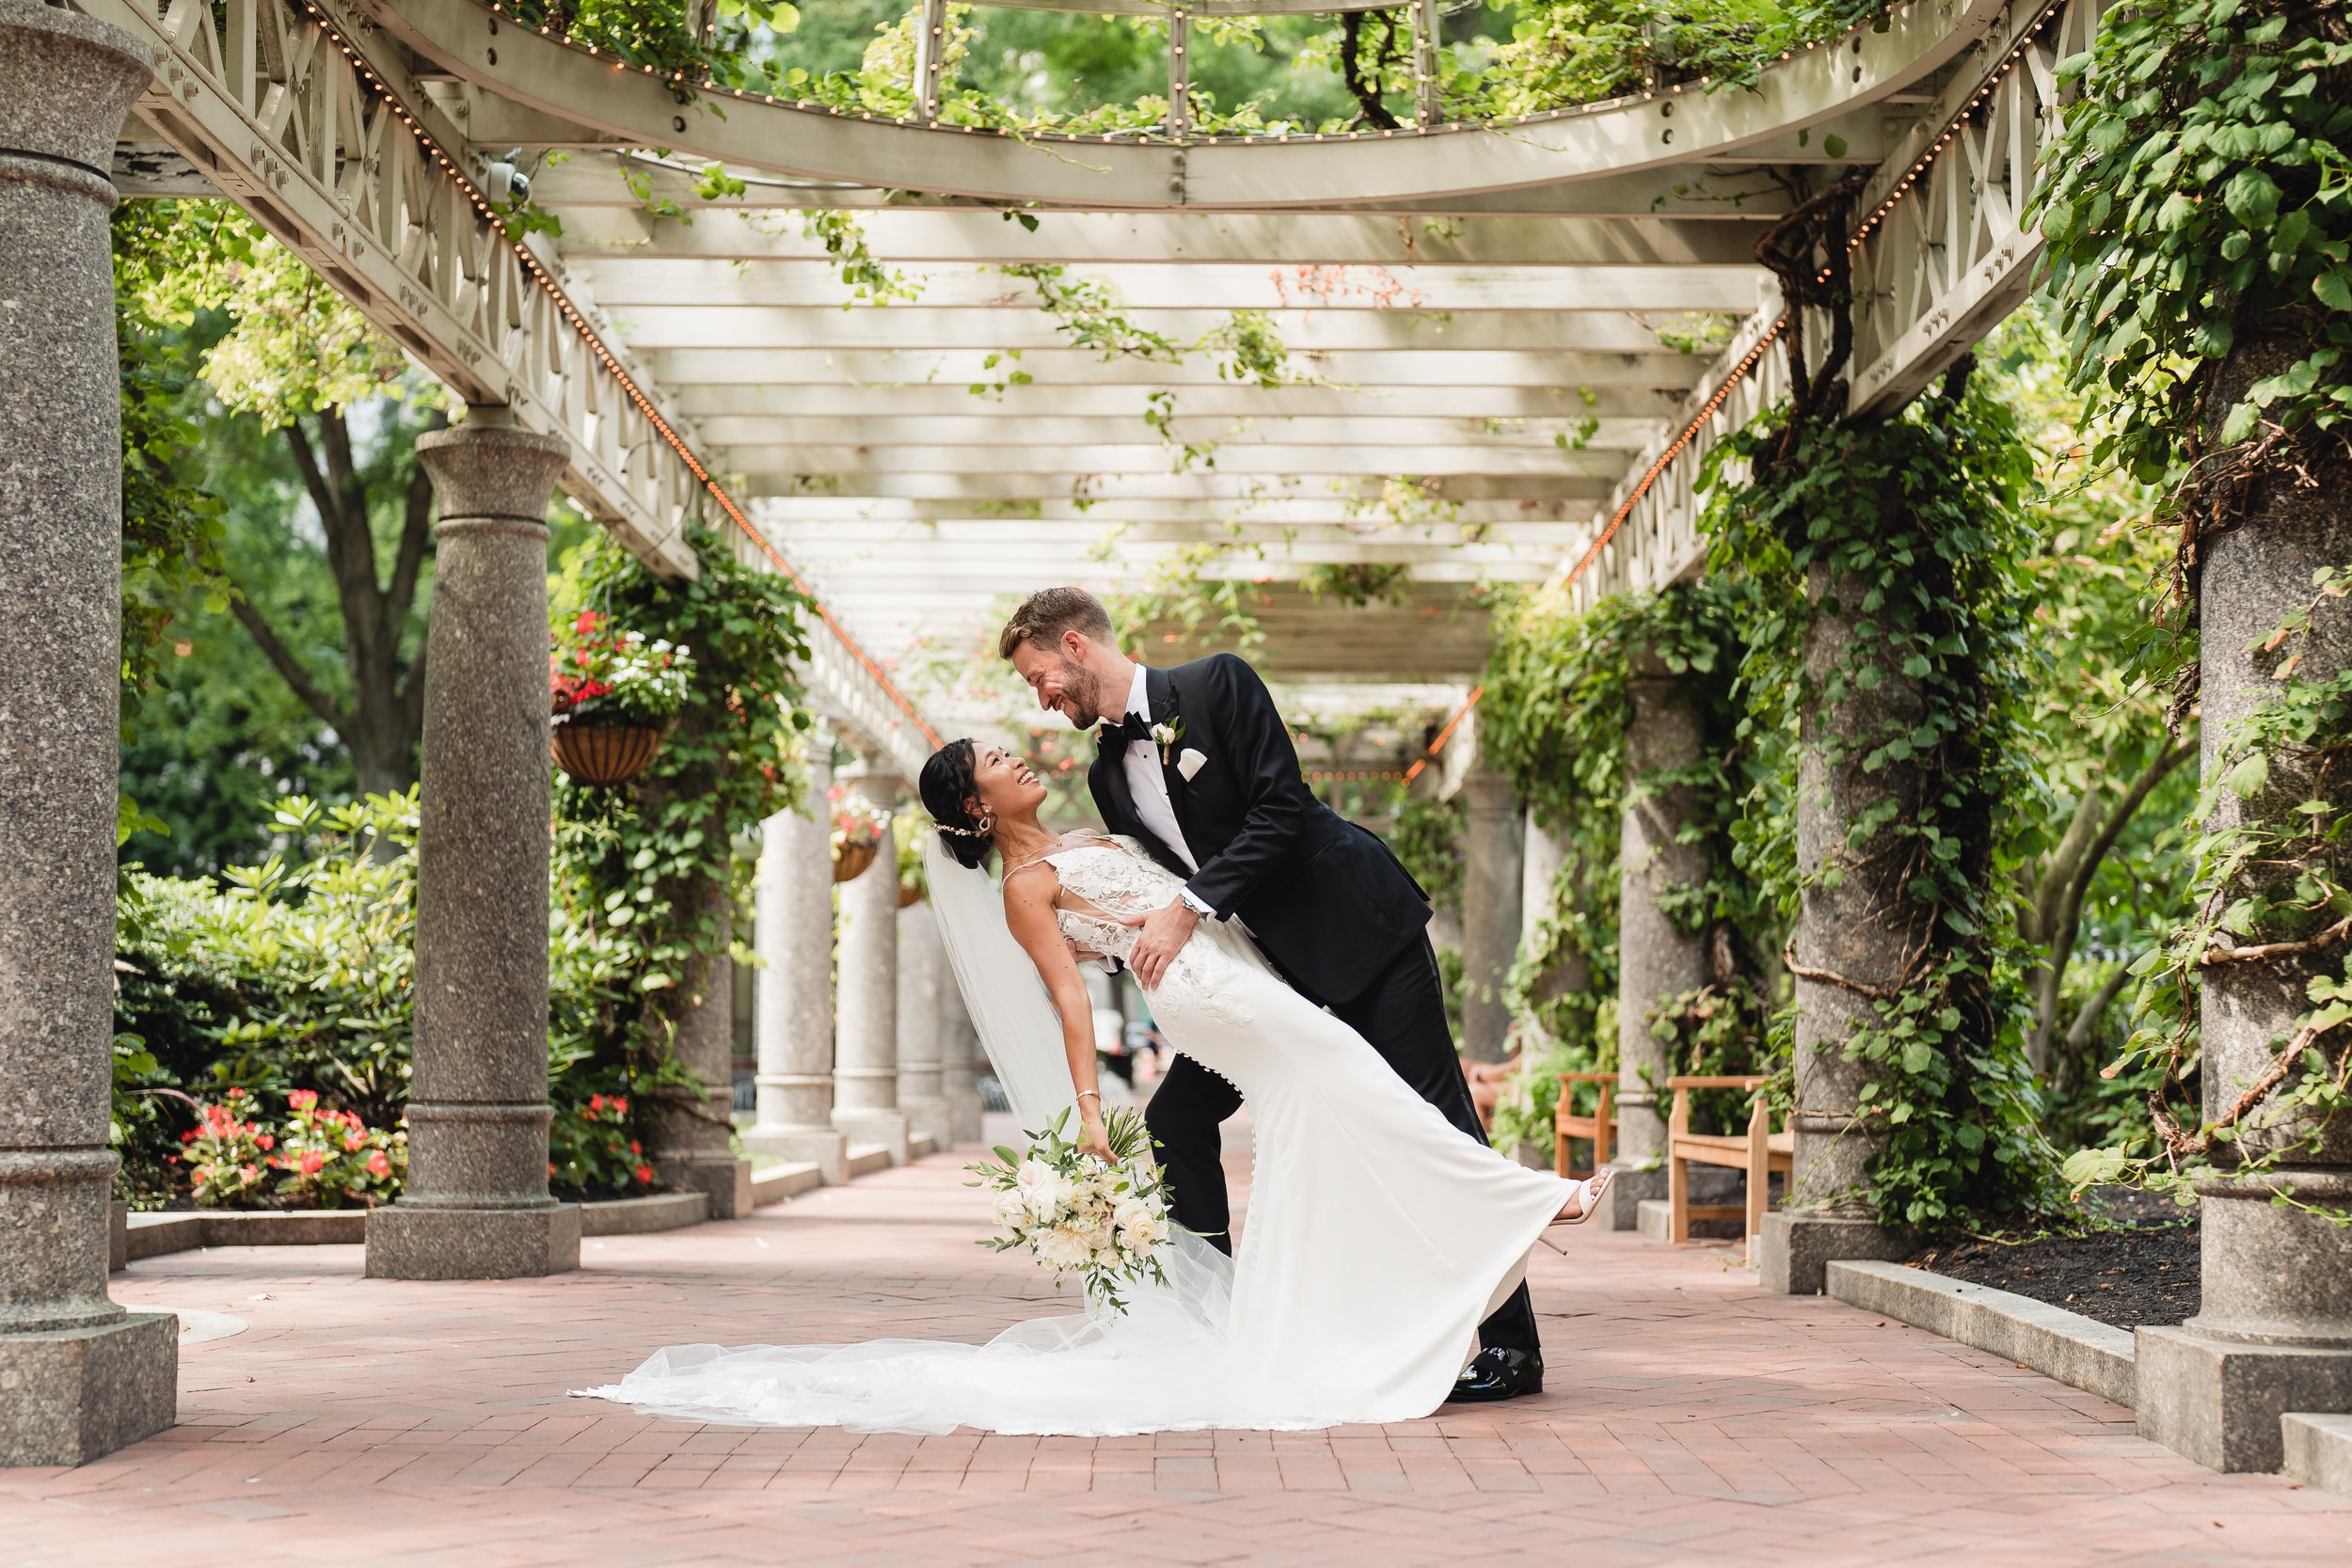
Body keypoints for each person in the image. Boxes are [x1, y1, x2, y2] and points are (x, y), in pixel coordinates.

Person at [579, 736, 1609, 1437]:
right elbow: (1073, 1000)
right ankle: (1529, 1197)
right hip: (1205, 994)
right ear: (978, 804)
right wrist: (1087, 1112)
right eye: (995, 759)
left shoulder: (1079, 837)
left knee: (1323, 1114)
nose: (1018, 755)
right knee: (1350, 1078)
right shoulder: (1028, 886)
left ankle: (1300, 1326)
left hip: (1232, 965)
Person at [1000, 586, 1550, 1402]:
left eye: (1039, 675)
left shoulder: (1218, 683)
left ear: (1076, 646)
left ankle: (1511, 1345)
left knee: (1440, 1124)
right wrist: (1114, 938)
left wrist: (1187, 910)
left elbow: (1282, 810)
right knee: (1175, 1118)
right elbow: (1158, 879)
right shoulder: (1106, 774)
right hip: (1262, 980)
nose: (1040, 697)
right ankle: (1215, 1325)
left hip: (1360, 936)